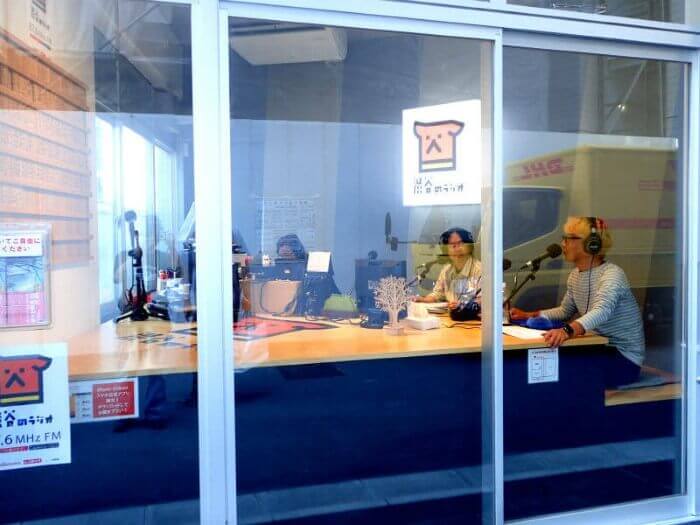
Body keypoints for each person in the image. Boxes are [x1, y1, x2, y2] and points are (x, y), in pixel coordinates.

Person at [510, 217, 645, 387]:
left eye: (568, 238)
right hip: (597, 348)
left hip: (624, 358)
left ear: (591, 244)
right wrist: (528, 315)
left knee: (558, 371)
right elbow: (565, 311)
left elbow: (602, 310)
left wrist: (567, 331)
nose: (562, 244)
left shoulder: (612, 275)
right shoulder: (575, 275)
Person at [414, 227, 482, 309]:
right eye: (452, 245)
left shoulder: (480, 270)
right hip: (451, 316)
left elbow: (484, 300)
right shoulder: (447, 270)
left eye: (461, 244)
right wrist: (423, 299)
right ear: (446, 251)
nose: (457, 249)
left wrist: (465, 305)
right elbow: (438, 294)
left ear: (469, 247)